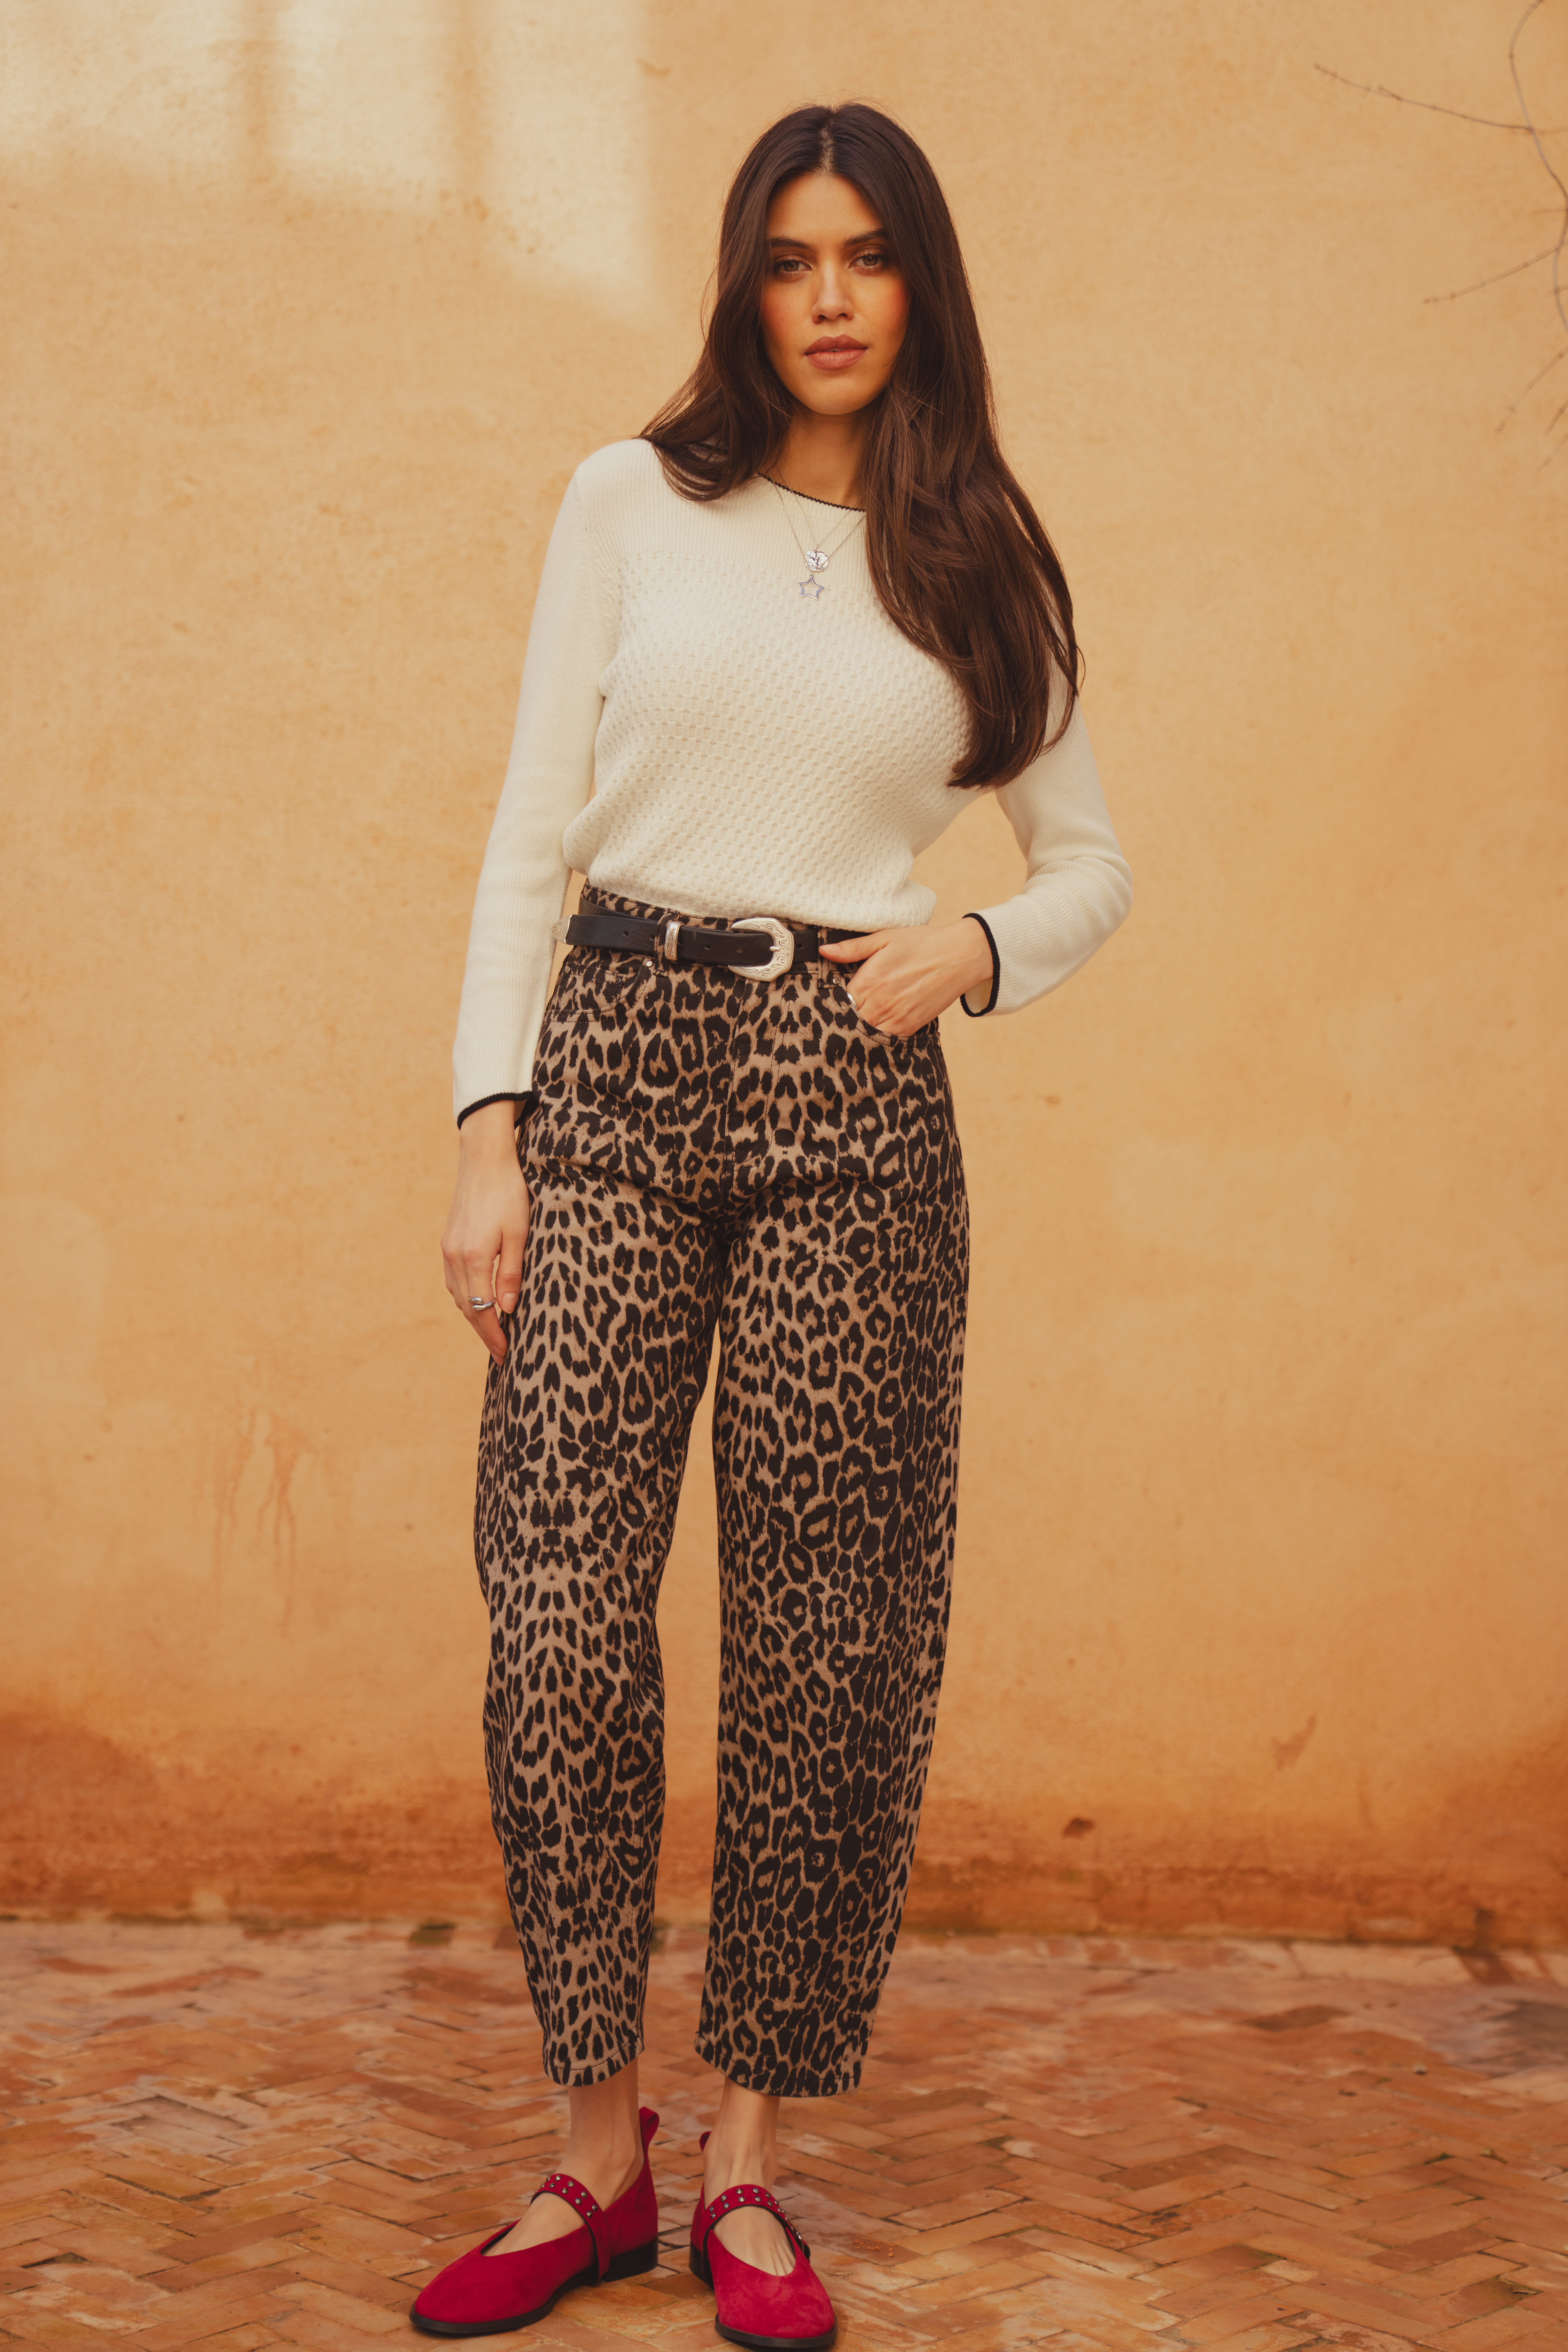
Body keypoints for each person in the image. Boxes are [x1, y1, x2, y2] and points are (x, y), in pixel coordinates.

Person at [414, 101, 1131, 2351]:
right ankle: (589, 2149)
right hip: (614, 1058)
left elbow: (1093, 859)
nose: (830, 294)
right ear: (745, 284)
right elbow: (532, 821)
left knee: (831, 1640)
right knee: (556, 1610)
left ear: (921, 284)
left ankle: (747, 2166)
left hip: (853, 1101)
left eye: (870, 256)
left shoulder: (981, 548)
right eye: (791, 256)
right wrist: (485, 1128)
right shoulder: (630, 500)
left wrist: (979, 954)